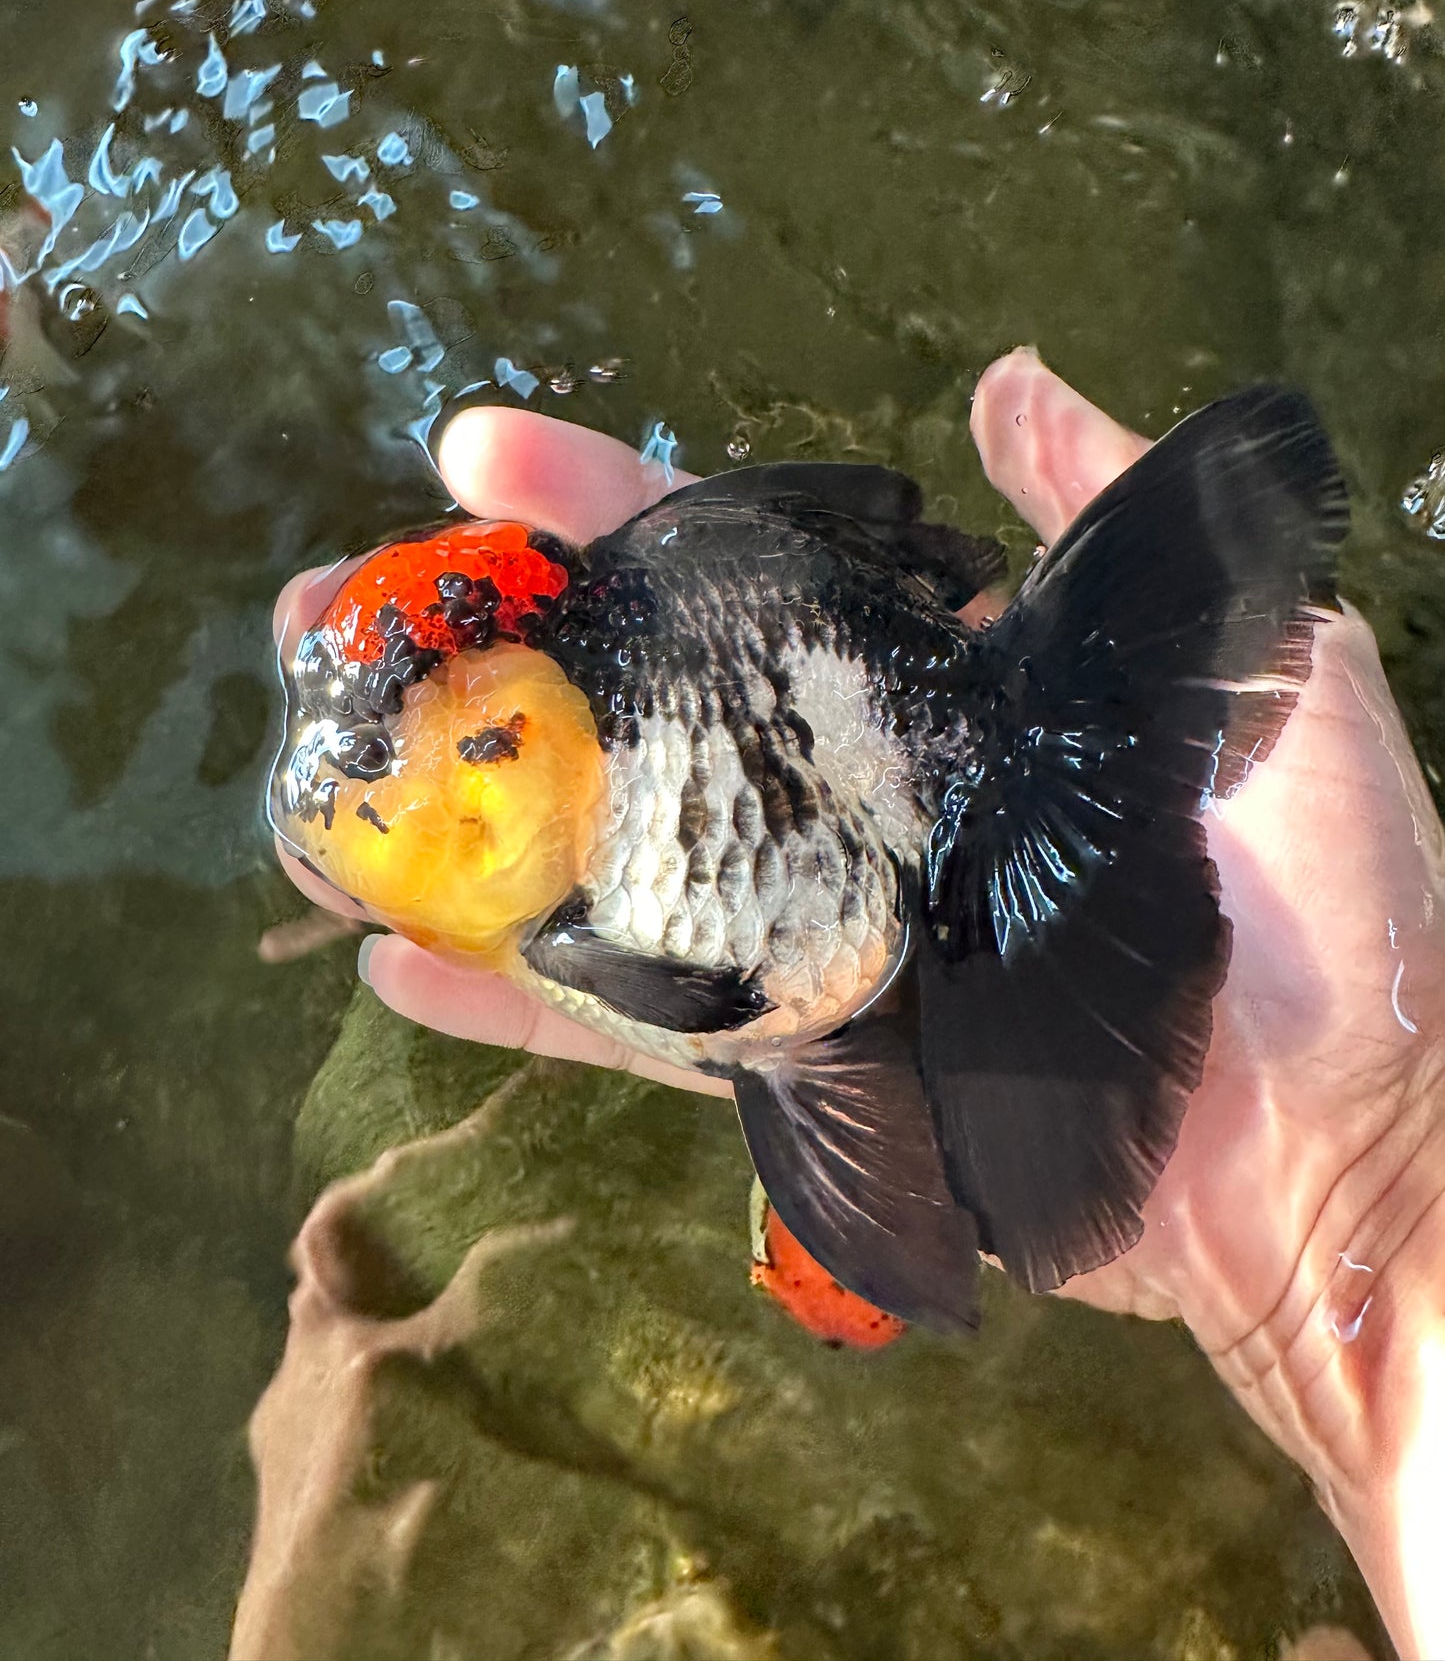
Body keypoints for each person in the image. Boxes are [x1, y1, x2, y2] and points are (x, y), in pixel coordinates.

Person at [274, 348, 1445, 1661]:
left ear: (493, 766)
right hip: (855, 919)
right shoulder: (550, 852)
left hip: (876, 871)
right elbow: (734, 1009)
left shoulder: (574, 900)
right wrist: (1381, 1208)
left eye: (371, 767)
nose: (333, 815)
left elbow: (704, 993)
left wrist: (1378, 1188)